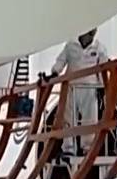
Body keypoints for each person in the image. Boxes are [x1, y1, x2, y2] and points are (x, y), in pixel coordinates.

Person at [44, 28, 110, 156]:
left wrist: (102, 88)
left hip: (90, 87)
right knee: (68, 118)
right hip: (71, 86)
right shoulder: (70, 46)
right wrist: (54, 73)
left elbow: (103, 68)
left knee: (90, 118)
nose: (90, 36)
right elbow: (61, 61)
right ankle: (68, 148)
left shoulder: (99, 48)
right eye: (89, 33)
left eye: (92, 34)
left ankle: (88, 148)